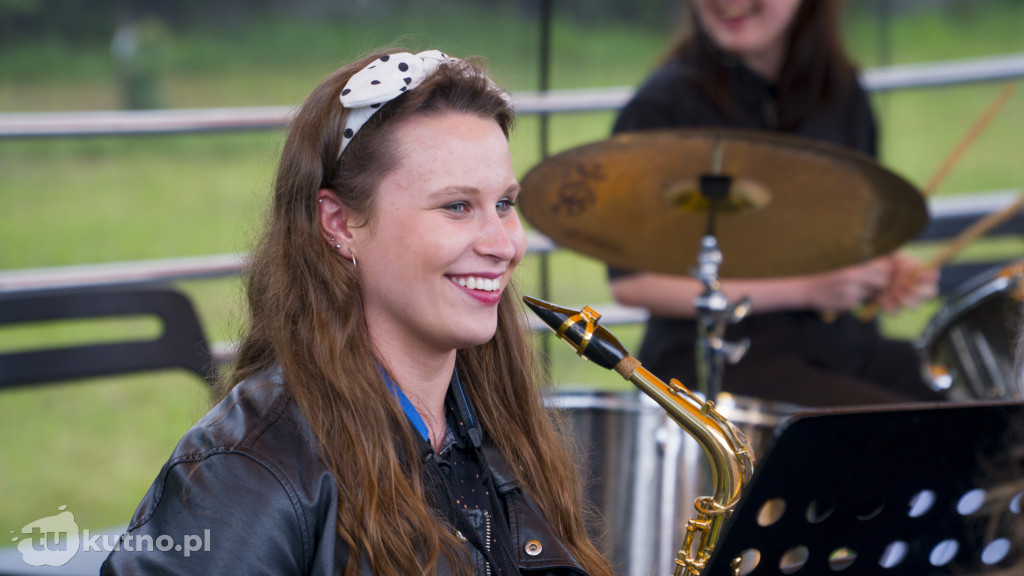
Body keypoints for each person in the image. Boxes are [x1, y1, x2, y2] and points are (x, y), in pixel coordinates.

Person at [102, 48, 613, 575]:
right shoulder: (242, 471)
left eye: (505, 204)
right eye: (457, 206)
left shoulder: (500, 421)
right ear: (340, 223)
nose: (504, 244)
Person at [608, 0, 945, 407]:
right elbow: (632, 283)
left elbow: (849, 235)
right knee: (907, 435)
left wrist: (883, 271)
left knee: (978, 417)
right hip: (719, 360)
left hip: (842, 347)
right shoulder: (662, 106)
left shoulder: (842, 92)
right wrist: (805, 290)